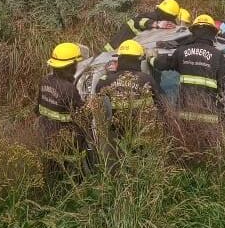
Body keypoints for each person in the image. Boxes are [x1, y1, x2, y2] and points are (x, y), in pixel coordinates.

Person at [152, 14, 225, 126]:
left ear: (193, 32)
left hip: (185, 111)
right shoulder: (217, 54)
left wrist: (152, 59)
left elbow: (163, 64)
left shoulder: (182, 51)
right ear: (213, 33)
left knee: (186, 141)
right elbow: (224, 83)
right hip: (210, 112)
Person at [36, 42, 89, 177]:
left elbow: (37, 108)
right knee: (71, 171)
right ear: (71, 66)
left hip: (46, 133)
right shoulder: (69, 89)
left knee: (52, 169)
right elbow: (82, 115)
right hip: (67, 139)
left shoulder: (45, 80)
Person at [94, 39, 163, 141]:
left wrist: (108, 73)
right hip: (145, 131)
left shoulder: (108, 80)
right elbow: (160, 103)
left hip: (120, 131)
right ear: (139, 59)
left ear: (119, 59)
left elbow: (97, 91)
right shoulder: (146, 79)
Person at [104, 0, 181, 53]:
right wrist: (156, 24)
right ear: (169, 16)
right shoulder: (152, 17)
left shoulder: (156, 17)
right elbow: (137, 22)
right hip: (113, 51)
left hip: (120, 50)